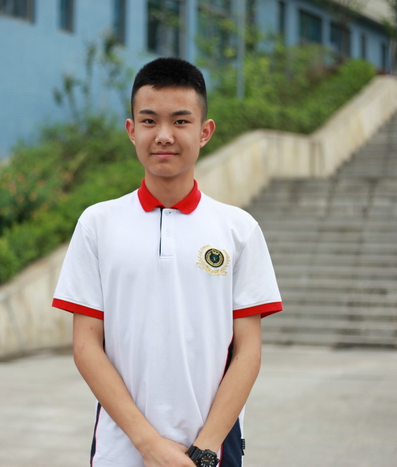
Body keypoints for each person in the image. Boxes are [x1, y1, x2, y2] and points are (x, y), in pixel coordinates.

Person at [52, 57, 282, 467]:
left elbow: (248, 351)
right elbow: (86, 346)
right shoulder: (97, 224)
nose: (163, 135)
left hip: (212, 452)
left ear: (204, 131)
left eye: (180, 121)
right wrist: (148, 445)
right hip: (121, 451)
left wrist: (205, 450)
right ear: (131, 130)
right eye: (149, 121)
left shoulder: (238, 230)